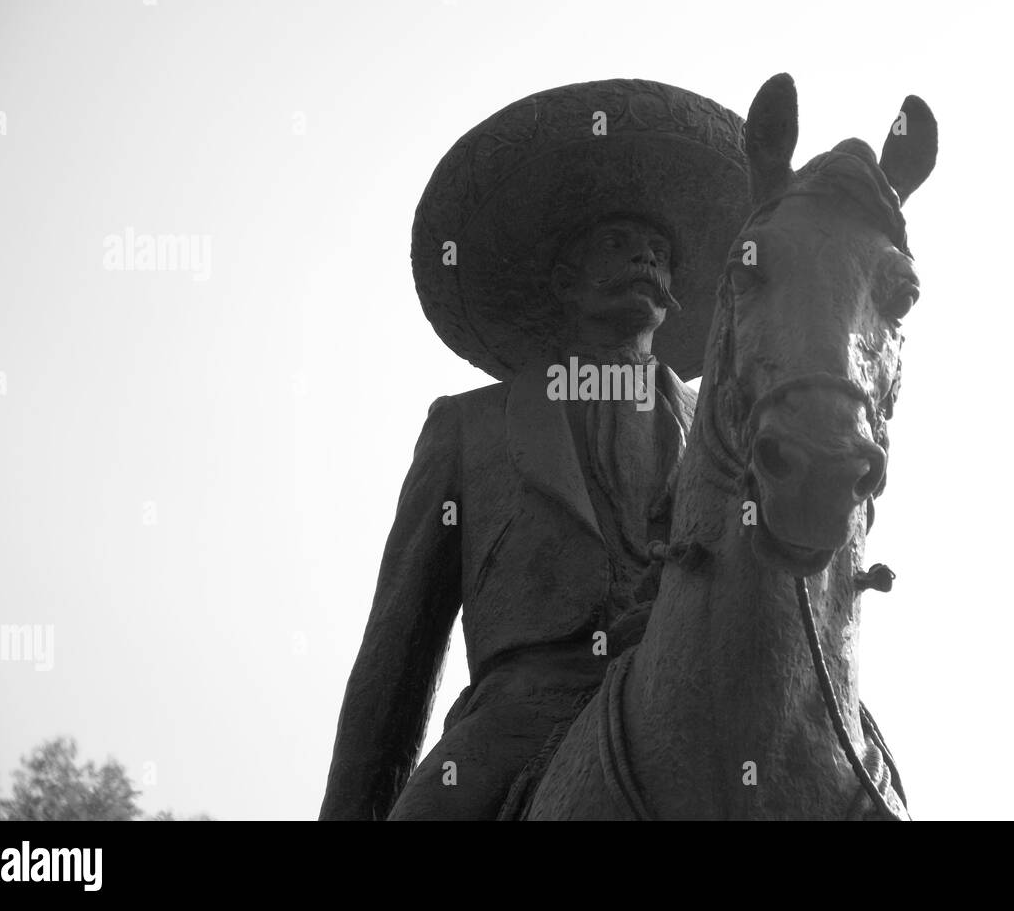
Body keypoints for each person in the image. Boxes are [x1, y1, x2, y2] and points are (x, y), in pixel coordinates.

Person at [319, 79, 749, 820]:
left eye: (658, 252)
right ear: (563, 279)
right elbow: (395, 657)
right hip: (519, 719)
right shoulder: (467, 429)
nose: (645, 259)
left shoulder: (723, 431)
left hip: (689, 700)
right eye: (618, 245)